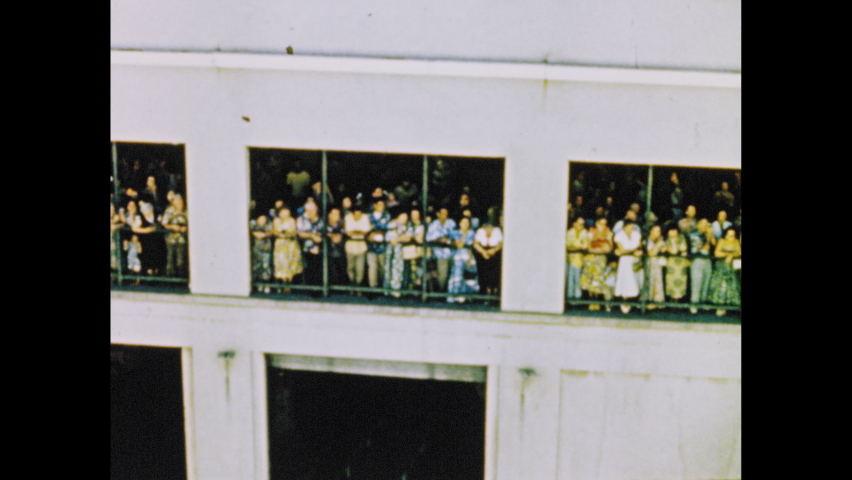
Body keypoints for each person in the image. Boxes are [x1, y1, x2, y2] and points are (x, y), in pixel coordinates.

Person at [581, 217, 614, 310]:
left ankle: (597, 301)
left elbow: (609, 248)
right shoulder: (591, 232)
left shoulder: (608, 233)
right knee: (590, 278)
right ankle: (591, 300)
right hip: (590, 258)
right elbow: (588, 246)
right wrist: (600, 248)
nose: (602, 226)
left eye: (604, 224)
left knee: (598, 279)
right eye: (601, 224)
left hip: (601, 259)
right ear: (597, 223)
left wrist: (599, 249)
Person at [709, 228, 741, 316]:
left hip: (731, 267)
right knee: (721, 284)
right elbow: (717, 253)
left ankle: (730, 305)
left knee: (732, 285)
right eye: (729, 234)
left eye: (733, 235)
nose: (731, 237)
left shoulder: (736, 241)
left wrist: (731, 255)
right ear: (725, 234)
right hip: (721, 266)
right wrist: (727, 254)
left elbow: (739, 252)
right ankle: (719, 306)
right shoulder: (722, 241)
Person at [686, 218, 716, 314]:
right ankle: (694, 304)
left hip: (707, 260)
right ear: (698, 225)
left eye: (707, 224)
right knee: (697, 282)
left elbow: (714, 244)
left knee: (706, 281)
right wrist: (708, 237)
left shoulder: (708, 233)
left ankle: (703, 302)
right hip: (697, 259)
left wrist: (710, 235)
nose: (705, 226)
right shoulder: (694, 234)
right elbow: (703, 248)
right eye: (703, 224)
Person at [614, 220, 643, 313]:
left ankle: (635, 302)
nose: (632, 228)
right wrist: (633, 251)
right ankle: (624, 301)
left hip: (635, 260)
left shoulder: (636, 234)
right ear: (625, 227)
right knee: (625, 280)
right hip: (625, 260)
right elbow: (621, 250)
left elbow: (639, 246)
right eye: (630, 226)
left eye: (633, 226)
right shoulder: (619, 235)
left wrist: (636, 251)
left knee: (636, 279)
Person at [473, 207, 503, 297]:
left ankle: (494, 291)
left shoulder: (497, 231)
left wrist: (493, 251)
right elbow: (475, 243)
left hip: (494, 253)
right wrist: (483, 252)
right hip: (482, 253)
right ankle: (484, 291)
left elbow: (501, 243)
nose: (488, 228)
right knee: (483, 272)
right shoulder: (480, 231)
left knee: (494, 272)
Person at [447, 217, 479, 302]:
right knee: (457, 276)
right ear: (460, 223)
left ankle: (468, 297)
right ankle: (454, 296)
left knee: (470, 278)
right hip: (458, 257)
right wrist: (464, 234)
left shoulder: (472, 233)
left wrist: (470, 258)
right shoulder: (454, 233)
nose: (465, 224)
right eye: (463, 222)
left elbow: (472, 247)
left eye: (467, 223)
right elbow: (460, 245)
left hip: (468, 257)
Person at [426, 208, 457, 292]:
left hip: (452, 252)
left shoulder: (451, 223)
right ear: (438, 214)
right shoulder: (433, 224)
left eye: (446, 213)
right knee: (442, 275)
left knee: (453, 275)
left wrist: (448, 239)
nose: (445, 215)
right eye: (443, 213)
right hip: (439, 253)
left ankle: (449, 293)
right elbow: (428, 238)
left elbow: (455, 237)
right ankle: (441, 293)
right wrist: (439, 240)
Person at [384, 212, 414, 296]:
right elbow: (390, 238)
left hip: (403, 253)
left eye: (406, 218)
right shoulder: (392, 224)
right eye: (402, 217)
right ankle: (387, 290)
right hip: (391, 251)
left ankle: (397, 289)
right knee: (389, 269)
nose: (404, 220)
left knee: (400, 270)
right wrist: (401, 237)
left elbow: (408, 237)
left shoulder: (408, 225)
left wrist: (398, 239)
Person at [272, 206, 303, 288]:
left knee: (290, 261)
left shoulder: (292, 220)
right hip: (280, 244)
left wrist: (286, 234)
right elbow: (275, 231)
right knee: (281, 262)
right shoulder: (276, 220)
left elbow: (293, 231)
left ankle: (290, 282)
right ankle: (282, 281)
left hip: (290, 244)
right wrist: (281, 234)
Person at [296, 201, 325, 286]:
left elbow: (323, 232)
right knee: (307, 268)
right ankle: (308, 287)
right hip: (305, 247)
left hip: (319, 247)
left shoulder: (321, 219)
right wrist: (312, 236)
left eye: (314, 209)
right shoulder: (301, 219)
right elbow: (300, 233)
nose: (312, 211)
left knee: (318, 268)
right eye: (310, 210)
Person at [160, 194, 189, 277]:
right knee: (170, 258)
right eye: (179, 202)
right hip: (171, 239)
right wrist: (172, 226)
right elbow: (164, 223)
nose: (181, 204)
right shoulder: (169, 211)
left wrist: (185, 228)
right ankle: (170, 277)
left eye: (181, 202)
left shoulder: (186, 211)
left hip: (182, 239)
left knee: (181, 259)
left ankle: (181, 276)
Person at [344, 203, 371, 287]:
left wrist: (354, 231)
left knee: (360, 268)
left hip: (361, 247)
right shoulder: (348, 217)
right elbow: (348, 232)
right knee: (350, 267)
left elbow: (366, 231)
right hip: (350, 247)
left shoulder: (365, 217)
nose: (357, 215)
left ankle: (358, 286)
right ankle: (352, 284)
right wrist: (359, 231)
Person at [366, 200, 391, 289]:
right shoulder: (368, 216)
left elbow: (389, 228)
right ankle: (373, 287)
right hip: (371, 246)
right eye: (379, 204)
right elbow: (365, 228)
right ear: (374, 205)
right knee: (372, 267)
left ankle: (383, 287)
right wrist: (369, 235)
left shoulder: (387, 216)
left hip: (383, 246)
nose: (381, 206)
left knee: (382, 267)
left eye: (383, 204)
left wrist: (382, 234)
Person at [663, 227, 690, 304]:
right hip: (671, 264)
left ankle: (679, 299)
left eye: (674, 230)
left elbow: (683, 247)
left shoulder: (682, 237)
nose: (673, 232)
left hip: (681, 264)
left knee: (681, 281)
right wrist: (672, 241)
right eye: (671, 230)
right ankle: (672, 299)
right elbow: (674, 251)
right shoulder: (666, 240)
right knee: (671, 280)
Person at [564, 216, 588, 301]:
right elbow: (567, 246)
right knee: (570, 278)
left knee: (577, 278)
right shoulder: (569, 233)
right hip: (569, 259)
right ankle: (570, 297)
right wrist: (578, 247)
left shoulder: (584, 232)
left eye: (583, 224)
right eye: (579, 223)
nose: (581, 226)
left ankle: (578, 297)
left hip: (579, 259)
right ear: (574, 223)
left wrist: (575, 247)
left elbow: (585, 246)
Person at [250, 214, 273, 291]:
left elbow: (271, 232)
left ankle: (266, 284)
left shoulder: (269, 224)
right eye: (261, 218)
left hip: (266, 249)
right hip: (256, 249)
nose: (262, 220)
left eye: (264, 219)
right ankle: (257, 284)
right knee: (256, 266)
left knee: (266, 266)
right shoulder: (253, 224)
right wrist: (261, 234)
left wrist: (265, 234)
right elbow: (255, 234)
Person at [644, 225, 665, 309]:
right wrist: (658, 245)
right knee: (650, 282)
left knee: (657, 282)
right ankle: (648, 301)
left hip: (657, 264)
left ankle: (657, 301)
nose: (658, 233)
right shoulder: (647, 240)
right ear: (651, 231)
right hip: (649, 263)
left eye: (659, 231)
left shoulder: (659, 240)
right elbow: (651, 253)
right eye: (656, 231)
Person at [325, 208, 347, 286]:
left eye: (338, 214)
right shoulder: (325, 224)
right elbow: (322, 233)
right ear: (329, 215)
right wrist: (330, 235)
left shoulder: (342, 224)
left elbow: (340, 237)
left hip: (340, 252)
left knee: (341, 270)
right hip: (327, 252)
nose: (336, 216)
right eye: (334, 214)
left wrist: (332, 235)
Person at [111, 203, 125, 272]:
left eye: (112, 209)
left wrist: (116, 226)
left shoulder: (116, 218)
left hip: (113, 243)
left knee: (114, 260)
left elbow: (123, 223)